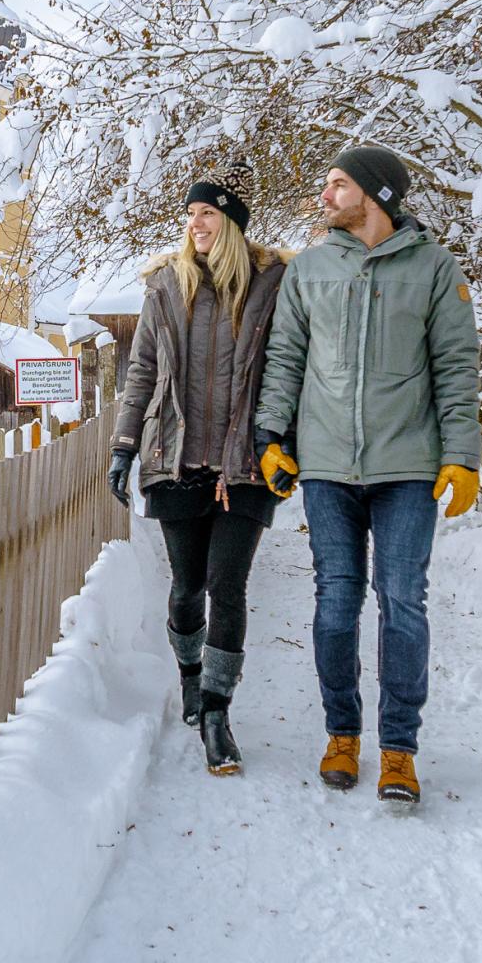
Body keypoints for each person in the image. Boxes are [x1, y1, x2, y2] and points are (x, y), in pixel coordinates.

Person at [252, 144, 481, 805]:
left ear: (377, 194)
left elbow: (457, 369)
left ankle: (401, 750)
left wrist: (460, 456)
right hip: (326, 465)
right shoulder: (312, 269)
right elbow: (286, 357)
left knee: (403, 599)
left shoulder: (435, 270)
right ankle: (342, 735)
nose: (326, 196)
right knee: (336, 600)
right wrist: (273, 436)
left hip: (407, 464)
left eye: (338, 184)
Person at [107, 180, 288, 776]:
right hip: (175, 462)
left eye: (207, 213)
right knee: (188, 590)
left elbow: (290, 368)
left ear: (231, 223)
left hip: (244, 468)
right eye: (190, 214)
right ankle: (190, 677)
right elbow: (141, 373)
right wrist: (124, 447)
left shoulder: (269, 287)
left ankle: (217, 712)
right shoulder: (166, 287)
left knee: (227, 587)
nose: (196, 224)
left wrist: (285, 444)